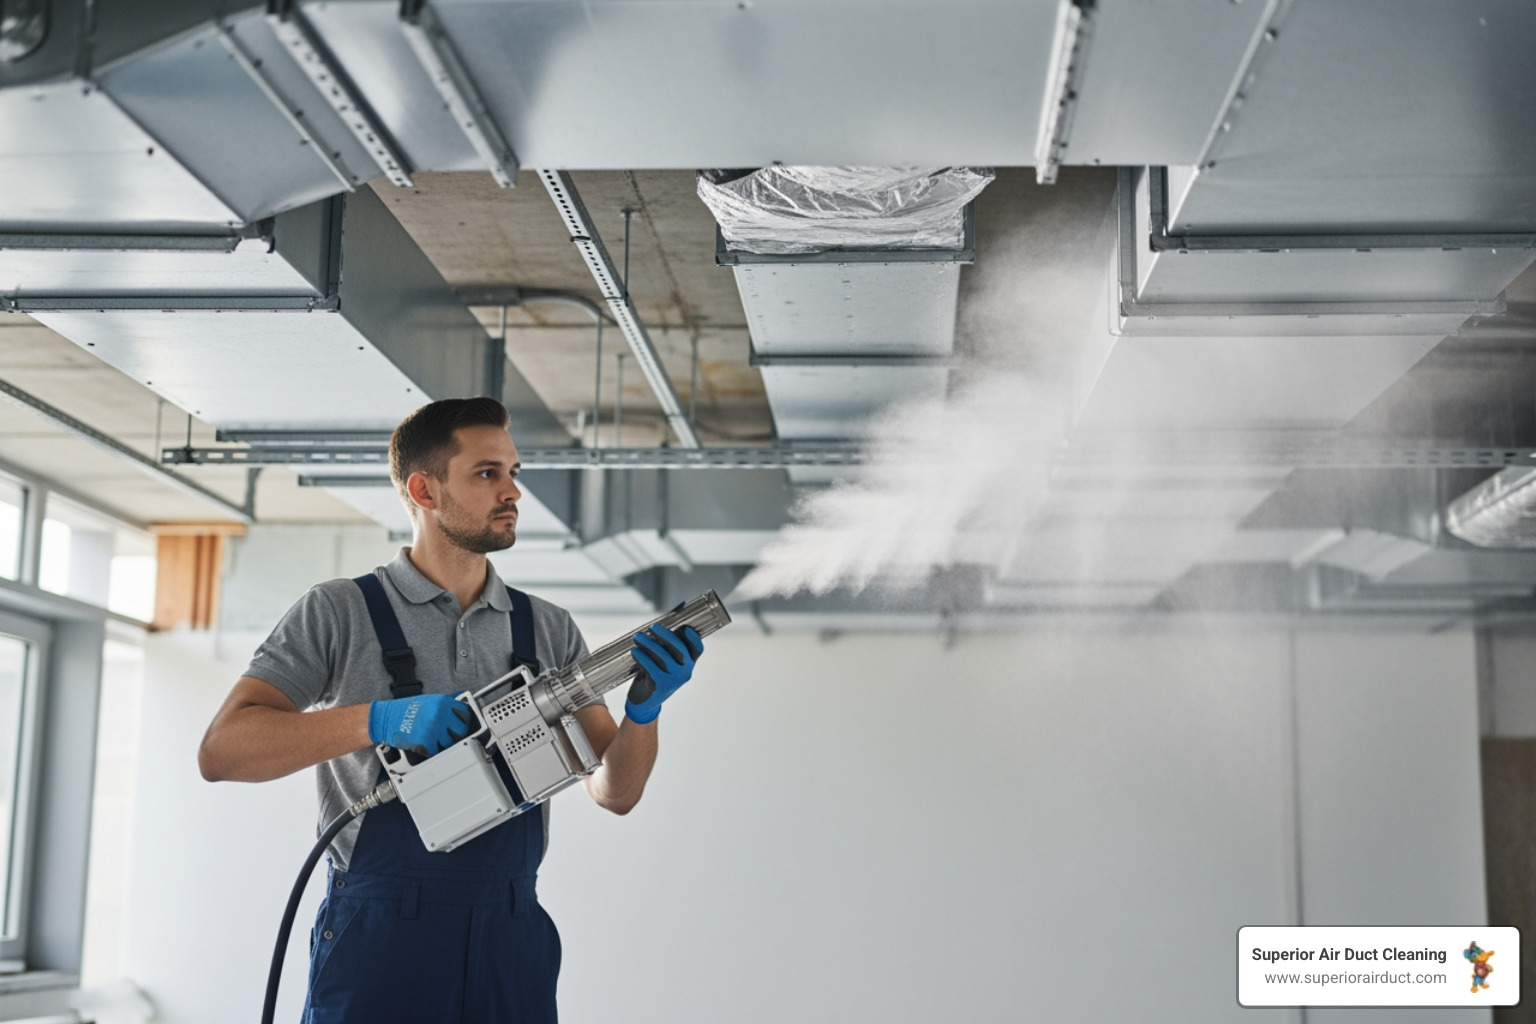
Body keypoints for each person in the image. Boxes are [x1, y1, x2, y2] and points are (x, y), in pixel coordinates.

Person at [198, 397, 704, 1023]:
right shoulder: (338, 612)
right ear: (424, 489)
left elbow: (614, 791)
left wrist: (644, 715)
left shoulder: (546, 628)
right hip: (380, 938)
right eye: (488, 473)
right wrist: (377, 720)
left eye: (514, 472)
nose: (512, 491)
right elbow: (222, 751)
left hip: (509, 935)